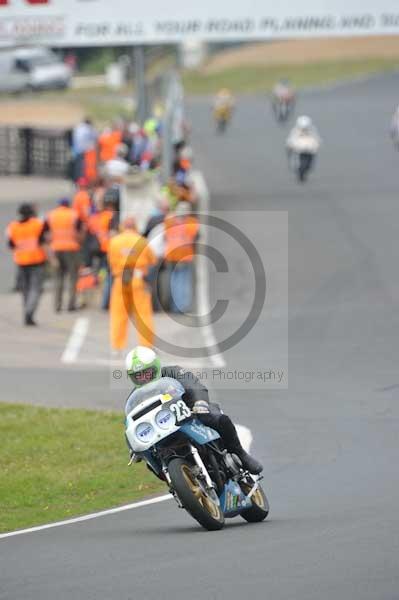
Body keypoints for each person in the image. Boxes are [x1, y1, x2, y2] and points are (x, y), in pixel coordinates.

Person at [125, 346, 263, 475]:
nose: (144, 378)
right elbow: (130, 422)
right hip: (162, 430)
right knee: (149, 456)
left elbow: (193, 385)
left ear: (155, 367)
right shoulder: (135, 397)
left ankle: (240, 454)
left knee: (218, 419)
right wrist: (132, 446)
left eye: (147, 372)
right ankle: (173, 482)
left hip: (192, 413)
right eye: (138, 375)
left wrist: (199, 402)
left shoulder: (173, 372)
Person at [107, 217, 157, 354]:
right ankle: (146, 346)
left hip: (120, 279)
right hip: (138, 279)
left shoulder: (114, 241)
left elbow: (111, 261)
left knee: (118, 314)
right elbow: (153, 259)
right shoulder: (142, 241)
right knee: (143, 314)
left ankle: (117, 347)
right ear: (135, 227)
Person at [6, 203, 46, 326]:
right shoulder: (37, 224)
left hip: (21, 262)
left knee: (26, 290)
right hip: (36, 261)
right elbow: (43, 241)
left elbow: (11, 245)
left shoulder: (12, 227)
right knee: (36, 289)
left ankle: (27, 312)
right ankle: (29, 311)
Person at [44, 198, 83, 312]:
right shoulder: (74, 215)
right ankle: (71, 304)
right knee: (72, 277)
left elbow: (46, 234)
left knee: (58, 277)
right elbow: (80, 232)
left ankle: (57, 305)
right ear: (68, 205)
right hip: (71, 249)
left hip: (55, 248)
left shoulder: (51, 215)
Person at [164, 201, 199, 313]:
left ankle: (175, 306)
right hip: (185, 256)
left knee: (174, 281)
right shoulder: (192, 223)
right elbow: (196, 238)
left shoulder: (169, 221)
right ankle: (182, 306)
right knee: (183, 281)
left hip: (172, 255)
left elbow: (165, 236)